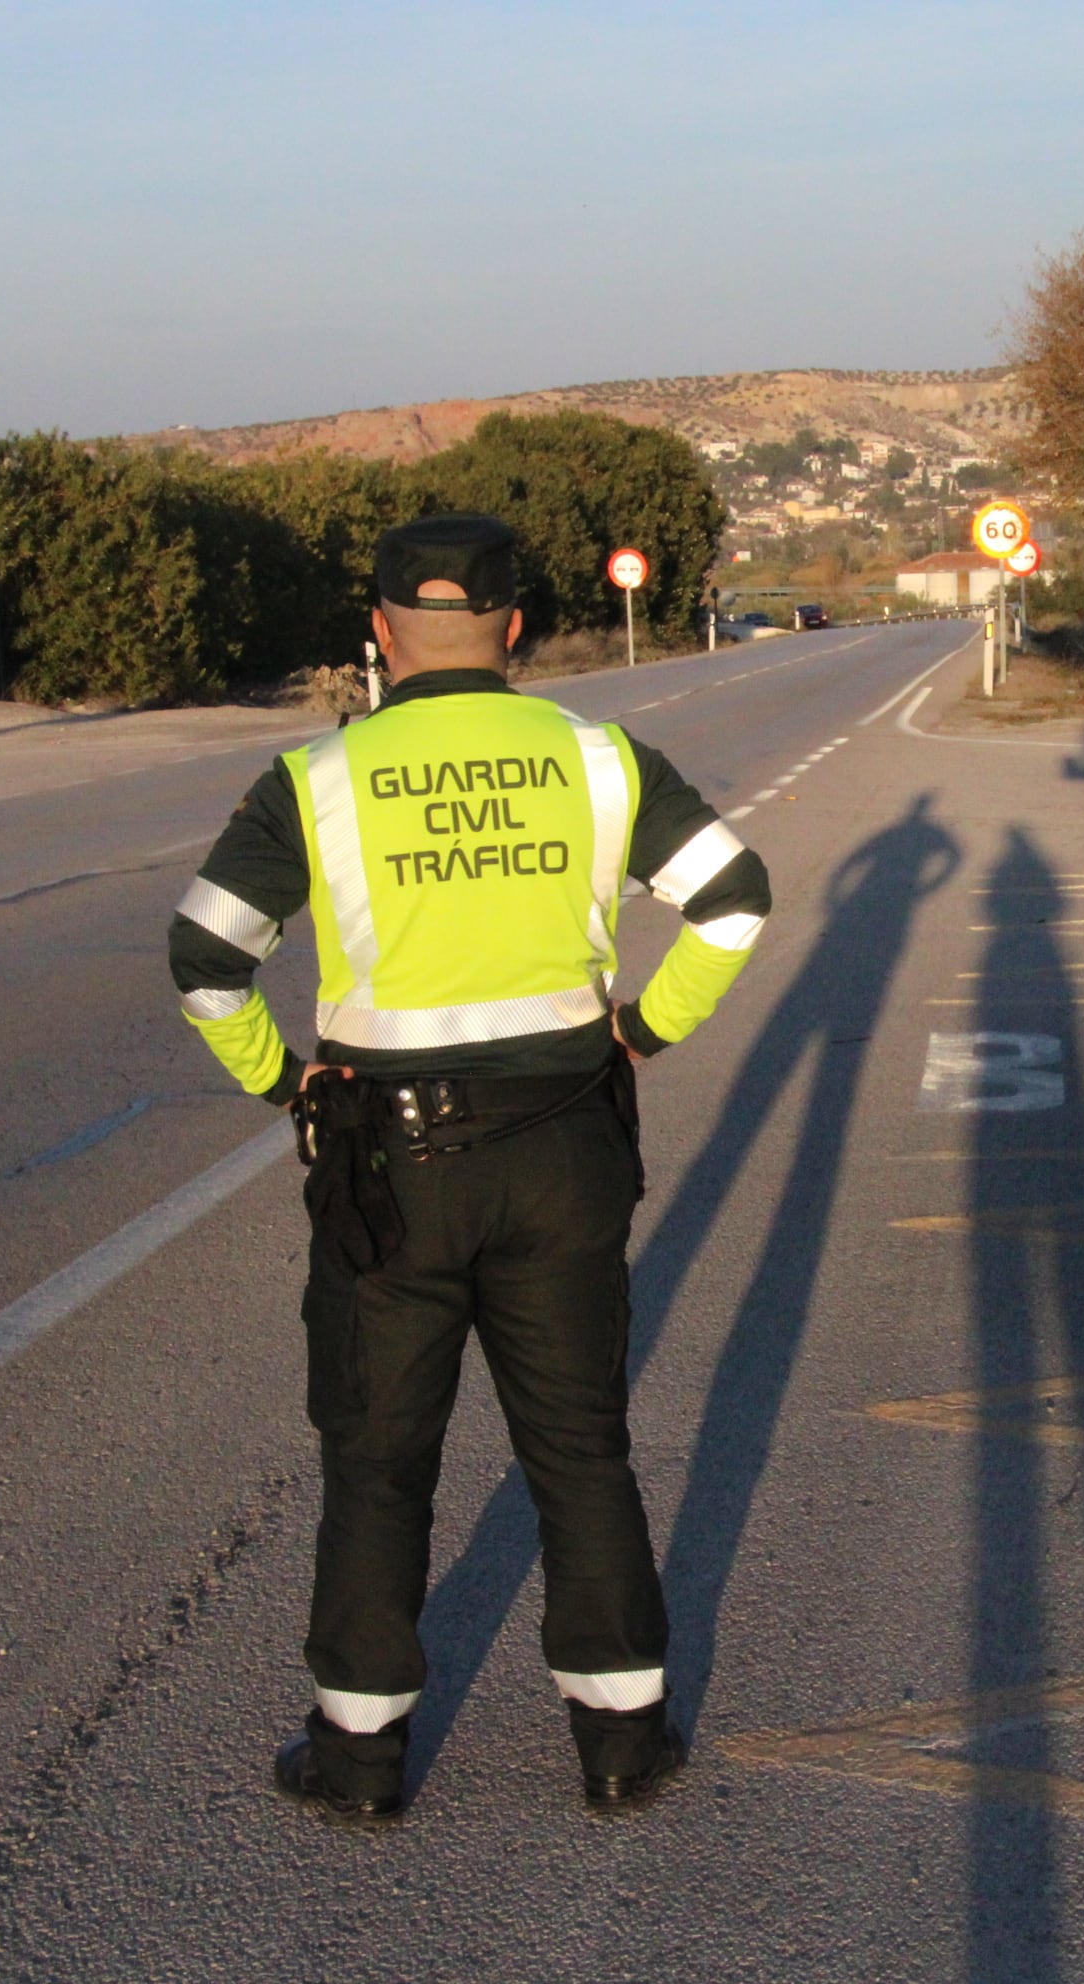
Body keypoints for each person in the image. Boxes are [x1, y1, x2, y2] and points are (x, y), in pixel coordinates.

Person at [166, 514, 769, 1823]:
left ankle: (360, 1757)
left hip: (391, 1168)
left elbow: (206, 960)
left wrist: (285, 1079)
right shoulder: (600, 758)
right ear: (515, 631)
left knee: (379, 1459)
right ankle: (621, 1745)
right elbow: (735, 897)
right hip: (563, 1146)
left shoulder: (316, 777)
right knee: (580, 1445)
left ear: (380, 632)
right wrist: (645, 1030)